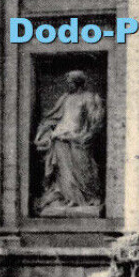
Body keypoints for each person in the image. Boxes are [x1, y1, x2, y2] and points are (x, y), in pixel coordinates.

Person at [34, 71, 106, 214]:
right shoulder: (65, 98)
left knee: (84, 169)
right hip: (60, 137)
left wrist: (86, 135)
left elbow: (95, 121)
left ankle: (85, 199)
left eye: (70, 83)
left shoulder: (89, 98)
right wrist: (47, 130)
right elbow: (53, 117)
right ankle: (66, 198)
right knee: (62, 172)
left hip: (79, 139)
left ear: (78, 83)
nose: (68, 86)